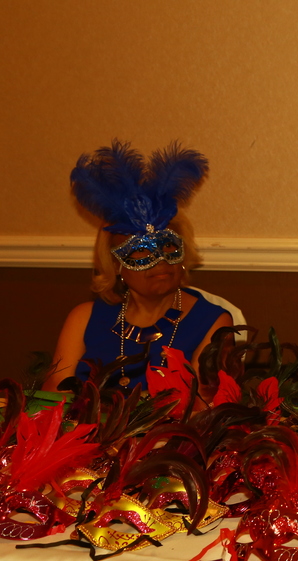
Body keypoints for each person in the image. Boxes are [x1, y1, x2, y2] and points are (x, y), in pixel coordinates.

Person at [44, 141, 232, 394]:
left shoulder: (212, 321)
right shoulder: (84, 318)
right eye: (141, 251)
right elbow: (54, 396)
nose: (160, 260)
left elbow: (205, 405)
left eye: (168, 246)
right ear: (115, 264)